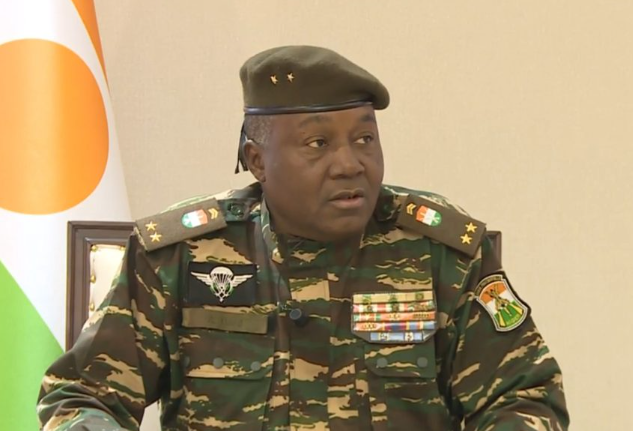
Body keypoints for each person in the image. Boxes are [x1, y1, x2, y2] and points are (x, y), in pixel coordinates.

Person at [38, 45, 569, 431]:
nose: (350, 163)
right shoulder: (181, 255)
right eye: (318, 143)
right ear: (257, 161)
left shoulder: (441, 253)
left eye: (365, 138)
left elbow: (524, 396)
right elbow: (83, 395)